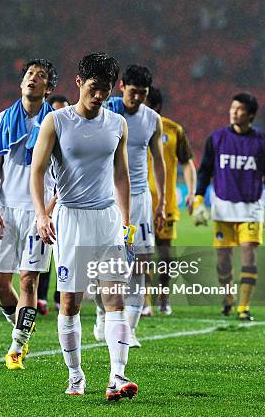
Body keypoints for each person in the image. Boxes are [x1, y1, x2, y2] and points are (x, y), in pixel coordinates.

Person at [31, 52, 138, 400]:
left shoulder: (116, 124)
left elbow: (121, 174)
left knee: (114, 298)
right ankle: (76, 376)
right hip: (71, 219)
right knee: (70, 303)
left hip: (106, 219)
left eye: (105, 89)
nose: (99, 95)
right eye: (94, 87)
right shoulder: (56, 122)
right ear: (79, 82)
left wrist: (126, 221)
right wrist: (42, 214)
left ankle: (117, 377)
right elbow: (37, 171)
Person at [0, 59, 58, 370]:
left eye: (40, 76)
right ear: (21, 82)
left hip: (38, 211)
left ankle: (16, 347)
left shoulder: (56, 122)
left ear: (49, 88)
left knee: (27, 280)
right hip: (6, 209)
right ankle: (23, 325)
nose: (33, 78)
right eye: (30, 74)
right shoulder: (2, 120)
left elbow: (64, 172)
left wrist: (49, 210)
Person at [193, 92, 265, 321]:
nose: (234, 112)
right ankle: (228, 297)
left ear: (250, 114)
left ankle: (244, 307)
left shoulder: (263, 142)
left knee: (249, 255)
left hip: (251, 208)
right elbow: (205, 171)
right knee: (223, 262)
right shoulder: (217, 138)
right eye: (232, 108)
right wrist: (199, 200)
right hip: (223, 206)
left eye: (239, 109)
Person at [101, 64, 165, 348]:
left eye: (143, 93)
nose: (137, 98)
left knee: (140, 263)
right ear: (122, 86)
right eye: (133, 92)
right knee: (104, 261)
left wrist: (161, 202)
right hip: (106, 197)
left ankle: (130, 329)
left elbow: (159, 162)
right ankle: (103, 314)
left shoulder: (152, 119)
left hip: (139, 198)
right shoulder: (107, 112)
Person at [144, 87, 196, 315]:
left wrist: (192, 191)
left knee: (165, 254)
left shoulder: (173, 130)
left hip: (166, 203)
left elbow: (187, 162)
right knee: (140, 253)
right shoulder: (126, 126)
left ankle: (163, 297)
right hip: (137, 202)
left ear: (156, 107)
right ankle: (143, 300)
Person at [36, 94, 69, 315]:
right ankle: (40, 297)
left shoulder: (69, 136)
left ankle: (60, 297)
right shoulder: (44, 136)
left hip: (61, 203)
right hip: (42, 203)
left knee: (63, 258)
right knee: (44, 254)